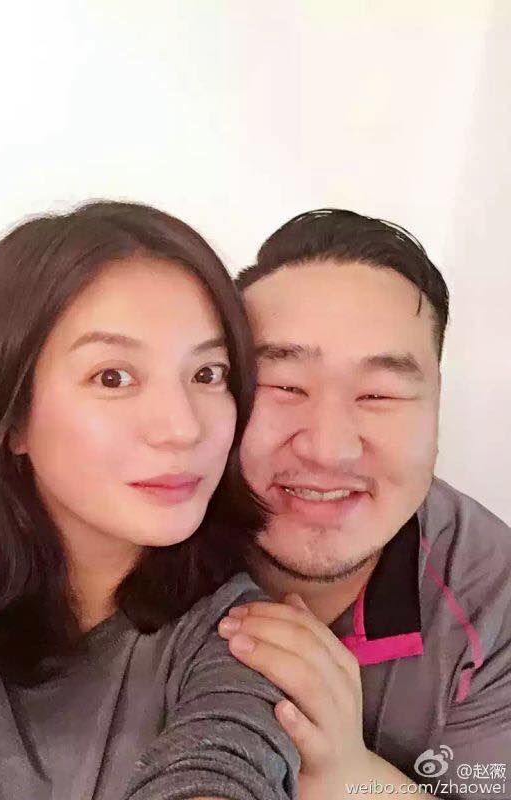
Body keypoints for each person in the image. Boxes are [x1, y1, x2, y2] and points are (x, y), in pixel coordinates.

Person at [0, 201, 299, 800]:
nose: (183, 429)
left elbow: (225, 765)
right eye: (113, 377)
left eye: (207, 374)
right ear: (11, 416)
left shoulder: (239, 635)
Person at [217, 210, 511, 800]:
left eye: (379, 394)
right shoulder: (140, 534)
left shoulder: (492, 598)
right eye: (283, 385)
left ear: (437, 409)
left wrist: (351, 779)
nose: (328, 448)